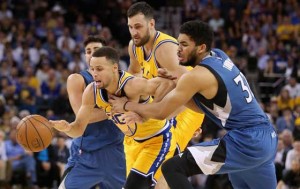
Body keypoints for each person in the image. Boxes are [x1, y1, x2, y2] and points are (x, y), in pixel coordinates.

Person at [110, 20, 278, 189]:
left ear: (201, 48)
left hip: (246, 141)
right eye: (178, 43)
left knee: (172, 168)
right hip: (267, 138)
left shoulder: (196, 76)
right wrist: (177, 82)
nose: (178, 49)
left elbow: (161, 112)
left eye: (184, 45)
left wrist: (127, 106)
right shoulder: (219, 56)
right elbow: (204, 105)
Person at [51, 46, 177, 189]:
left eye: (99, 69)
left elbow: (168, 84)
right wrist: (67, 128)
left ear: (114, 68)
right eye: (92, 69)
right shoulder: (91, 91)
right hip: (131, 144)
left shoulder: (132, 85)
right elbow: (78, 129)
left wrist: (143, 113)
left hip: (157, 140)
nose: (94, 73)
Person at [126, 1, 204, 154]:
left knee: (164, 156)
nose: (134, 32)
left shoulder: (165, 49)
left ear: (151, 24)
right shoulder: (134, 46)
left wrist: (158, 115)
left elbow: (190, 90)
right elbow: (133, 75)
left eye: (138, 26)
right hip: (163, 104)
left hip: (186, 108)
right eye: (130, 27)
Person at [59, 36, 126, 189]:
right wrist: (117, 108)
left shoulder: (120, 79)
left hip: (115, 150)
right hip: (87, 152)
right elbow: (82, 116)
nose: (92, 54)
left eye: (96, 50)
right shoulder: (77, 79)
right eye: (88, 51)